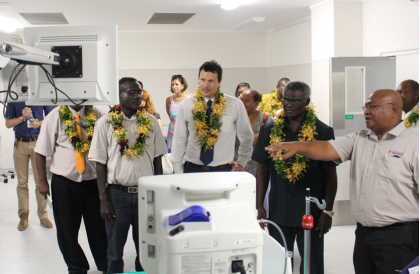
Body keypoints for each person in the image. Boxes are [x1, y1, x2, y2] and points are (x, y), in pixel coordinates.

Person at [267, 89, 419, 274]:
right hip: (364, 235)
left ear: (394, 109)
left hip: (399, 237)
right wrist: (296, 146)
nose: (366, 111)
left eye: (372, 106)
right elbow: (326, 148)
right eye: (366, 106)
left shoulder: (414, 144)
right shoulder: (360, 139)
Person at [253, 81, 338, 274]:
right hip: (279, 208)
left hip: (311, 210)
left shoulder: (323, 132)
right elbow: (262, 170)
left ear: (307, 101)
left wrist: (328, 211)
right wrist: (260, 205)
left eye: (295, 101)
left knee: (312, 264)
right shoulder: (269, 130)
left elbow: (330, 176)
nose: (288, 105)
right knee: (278, 262)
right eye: (285, 100)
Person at [88, 78, 167, 274]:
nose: (138, 96)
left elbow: (158, 160)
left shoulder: (150, 122)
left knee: (147, 248)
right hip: (117, 196)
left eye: (139, 92)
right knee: (114, 250)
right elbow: (100, 163)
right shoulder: (104, 123)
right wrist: (103, 199)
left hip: (145, 195)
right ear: (119, 95)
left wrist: (159, 195)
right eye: (132, 92)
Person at [35, 105, 108, 274]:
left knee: (99, 227)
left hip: (93, 182)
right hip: (65, 182)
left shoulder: (97, 114)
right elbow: (40, 151)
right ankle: (77, 267)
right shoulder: (55, 116)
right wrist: (42, 181)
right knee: (67, 229)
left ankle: (105, 264)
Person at [171, 60, 253, 174]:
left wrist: (242, 162)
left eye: (211, 81)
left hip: (223, 171)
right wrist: (178, 169)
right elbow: (179, 140)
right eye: (202, 80)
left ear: (220, 81)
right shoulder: (186, 105)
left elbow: (247, 136)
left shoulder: (234, 105)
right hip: (192, 170)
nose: (205, 85)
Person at [5, 102, 54, 231]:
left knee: (40, 181)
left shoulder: (40, 96)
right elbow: (8, 124)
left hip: (38, 143)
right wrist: (22, 118)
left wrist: (39, 124)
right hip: (20, 144)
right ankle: (23, 216)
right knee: (22, 182)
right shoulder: (13, 99)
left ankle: (43, 215)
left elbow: (52, 119)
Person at [234, 89, 273, 177]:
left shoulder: (266, 119)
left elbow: (273, 138)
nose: (242, 103)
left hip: (258, 168)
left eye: (246, 101)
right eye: (241, 100)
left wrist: (259, 138)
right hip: (237, 167)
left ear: (256, 103)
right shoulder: (235, 119)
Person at [166, 74, 190, 150]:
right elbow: (170, 116)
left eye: (176, 84)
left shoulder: (189, 99)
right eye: (172, 84)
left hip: (185, 132)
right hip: (172, 132)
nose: (174, 86)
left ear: (182, 86)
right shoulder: (169, 100)